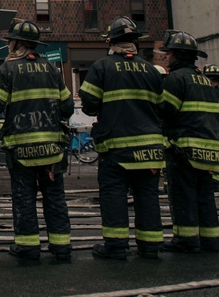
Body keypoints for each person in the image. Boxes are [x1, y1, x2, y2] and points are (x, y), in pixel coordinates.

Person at [0, 20, 74, 261]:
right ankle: (61, 247)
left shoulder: (7, 71)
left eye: (10, 41)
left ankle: (28, 247)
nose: (8, 45)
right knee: (55, 198)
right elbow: (68, 107)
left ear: (18, 43)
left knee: (24, 197)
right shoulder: (52, 70)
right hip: (53, 149)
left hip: (22, 150)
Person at [79, 16, 165, 260]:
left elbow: (90, 104)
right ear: (135, 42)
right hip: (150, 148)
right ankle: (150, 246)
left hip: (118, 147)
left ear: (111, 42)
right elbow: (161, 106)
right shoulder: (151, 70)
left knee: (114, 194)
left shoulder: (102, 67)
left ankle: (116, 246)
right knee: (147, 196)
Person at [157, 31, 219, 254]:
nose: (167, 58)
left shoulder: (176, 79)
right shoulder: (204, 80)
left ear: (177, 55)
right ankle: (211, 240)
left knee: (183, 194)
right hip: (210, 147)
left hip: (184, 148)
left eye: (169, 54)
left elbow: (167, 111)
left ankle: (186, 240)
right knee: (205, 195)